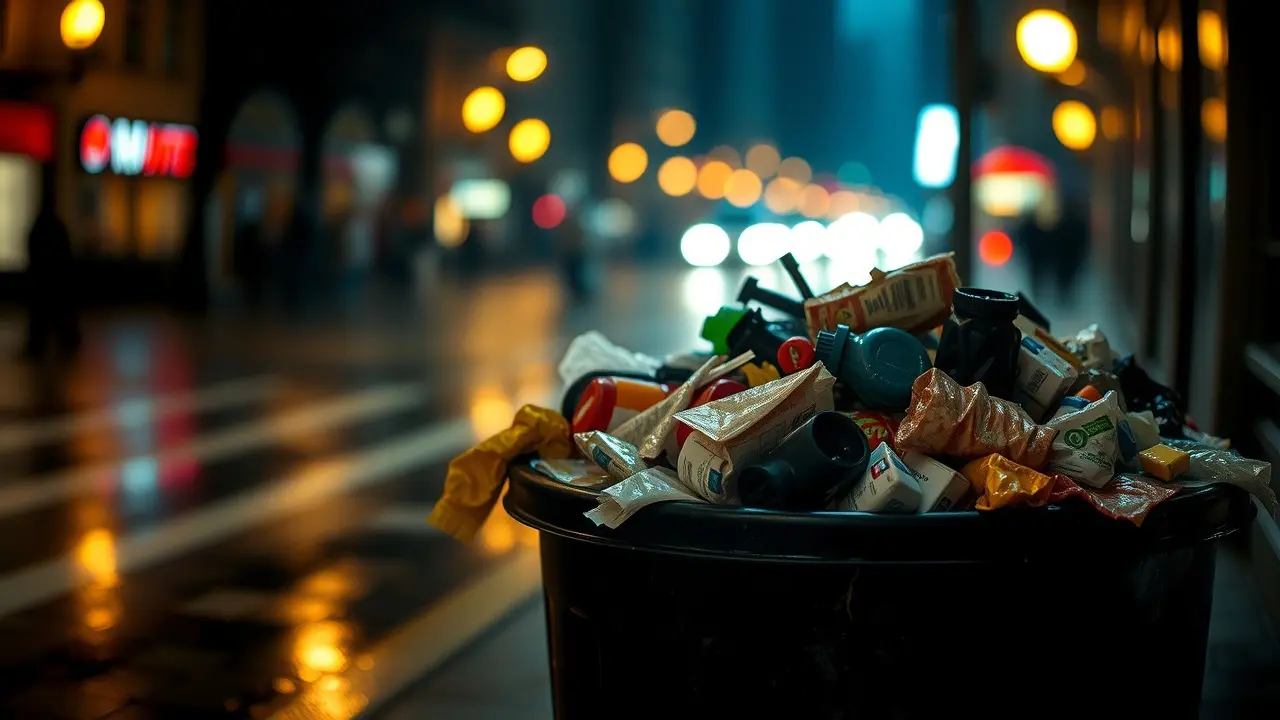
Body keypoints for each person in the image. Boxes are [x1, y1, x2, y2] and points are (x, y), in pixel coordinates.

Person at [23, 199, 81, 359]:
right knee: (58, 314)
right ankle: (66, 342)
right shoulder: (57, 228)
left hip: (43, 280)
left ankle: (39, 345)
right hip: (55, 280)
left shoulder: (41, 228)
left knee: (42, 316)